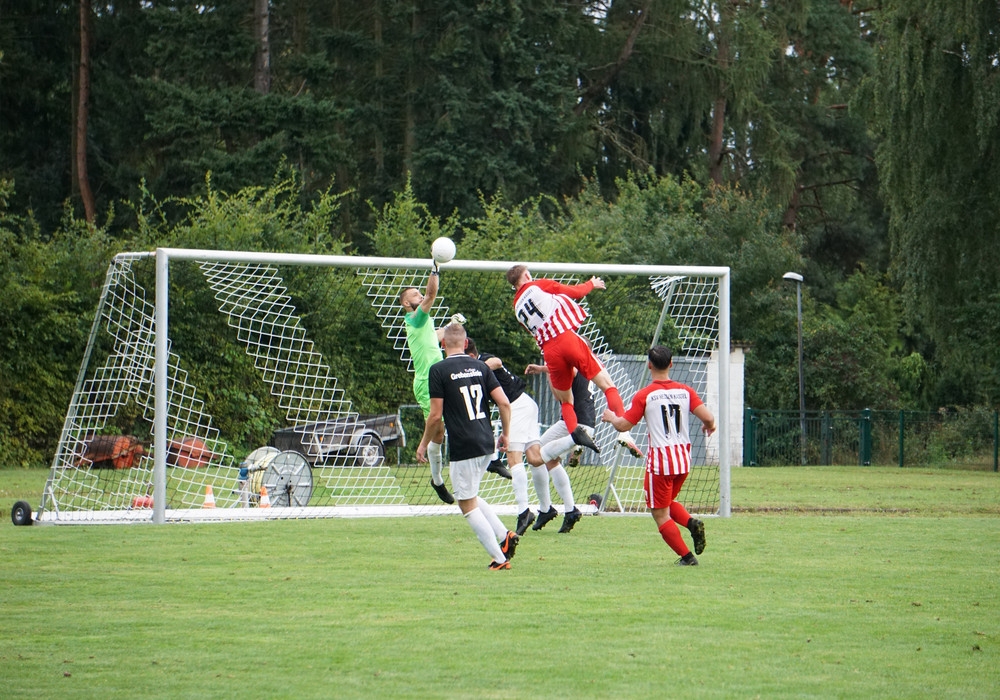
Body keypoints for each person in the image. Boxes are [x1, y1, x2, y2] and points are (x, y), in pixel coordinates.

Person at [506, 264, 642, 460]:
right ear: (527, 275)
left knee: (566, 402)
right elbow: (573, 292)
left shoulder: (517, 308)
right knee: (608, 385)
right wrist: (591, 284)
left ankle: (575, 435)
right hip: (566, 338)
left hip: (549, 351)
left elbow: (533, 331)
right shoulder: (536, 285)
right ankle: (624, 433)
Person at [416, 323, 519, 570]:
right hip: (486, 441)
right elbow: (504, 403)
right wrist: (506, 434)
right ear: (465, 344)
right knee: (469, 495)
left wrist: (423, 444)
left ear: (443, 344)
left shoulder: (438, 370)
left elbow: (435, 416)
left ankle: (499, 558)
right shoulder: (480, 366)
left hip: (464, 444)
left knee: (466, 504)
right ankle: (505, 535)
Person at [601, 345, 715, 566]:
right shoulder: (685, 391)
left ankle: (687, 557)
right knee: (667, 503)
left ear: (649, 365)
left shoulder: (645, 395)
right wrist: (710, 426)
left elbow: (624, 425)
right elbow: (709, 418)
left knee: (659, 513)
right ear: (671, 364)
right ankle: (692, 524)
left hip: (661, 463)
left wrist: (611, 417)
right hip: (683, 461)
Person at [398, 266, 465, 505]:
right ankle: (436, 478)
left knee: (444, 429)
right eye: (414, 295)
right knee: (437, 426)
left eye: (419, 293)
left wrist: (451, 325)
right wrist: (435, 269)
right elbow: (431, 294)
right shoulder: (415, 317)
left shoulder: (422, 323)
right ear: (407, 304)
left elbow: (435, 337)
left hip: (442, 376)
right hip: (427, 382)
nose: (420, 296)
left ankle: (440, 478)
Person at [466, 338, 541, 536]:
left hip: (518, 406)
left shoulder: (483, 361)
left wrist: (476, 368)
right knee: (535, 457)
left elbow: (496, 362)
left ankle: (524, 511)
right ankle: (547, 508)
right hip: (524, 404)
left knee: (514, 458)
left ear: (472, 356)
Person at [524, 362, 593, 533]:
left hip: (574, 424)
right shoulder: (586, 365)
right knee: (550, 460)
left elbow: (566, 368)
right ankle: (569, 511)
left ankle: (546, 509)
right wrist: (549, 370)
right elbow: (558, 396)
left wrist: (543, 368)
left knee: (535, 454)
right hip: (579, 423)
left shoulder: (576, 364)